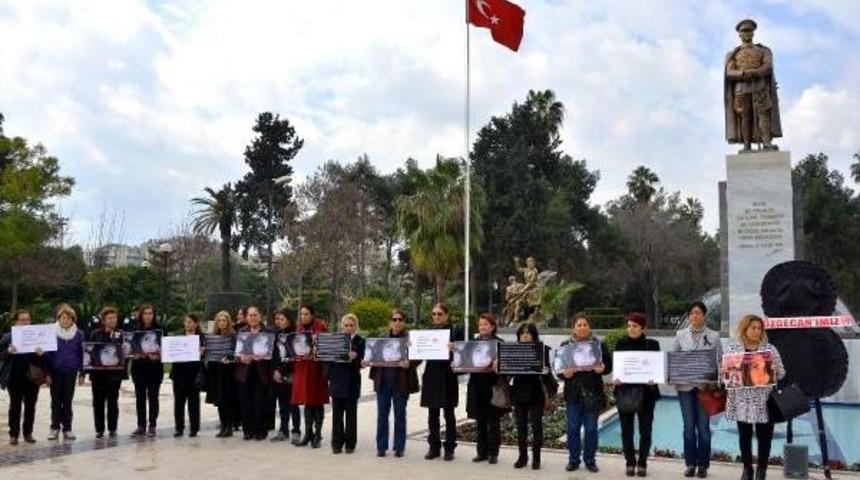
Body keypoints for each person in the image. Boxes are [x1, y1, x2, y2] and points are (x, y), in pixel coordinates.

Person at [725, 314, 785, 480]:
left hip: (764, 401)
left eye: (759, 328)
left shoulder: (769, 350)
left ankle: (761, 471)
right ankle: (747, 469)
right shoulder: (733, 349)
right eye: (753, 328)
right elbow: (727, 375)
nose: (757, 331)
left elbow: (781, 373)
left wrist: (770, 369)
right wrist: (728, 372)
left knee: (764, 437)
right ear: (745, 329)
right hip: (741, 400)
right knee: (744, 436)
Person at [559, 312, 612, 473]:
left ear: (589, 326)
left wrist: (603, 369)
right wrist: (564, 374)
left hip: (592, 392)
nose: (582, 328)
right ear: (573, 328)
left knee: (591, 429)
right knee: (573, 428)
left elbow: (609, 365)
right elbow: (559, 370)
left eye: (585, 324)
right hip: (573, 394)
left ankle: (590, 460)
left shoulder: (599, 345)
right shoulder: (565, 345)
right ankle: (573, 460)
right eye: (579, 325)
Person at [673, 301, 721, 478]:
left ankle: (703, 465)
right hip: (685, 387)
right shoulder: (680, 335)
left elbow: (720, 362)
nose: (695, 316)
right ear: (689, 316)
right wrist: (671, 375)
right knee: (688, 427)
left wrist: (715, 380)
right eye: (692, 313)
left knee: (703, 428)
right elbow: (673, 359)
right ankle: (690, 464)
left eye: (699, 313)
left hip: (704, 388)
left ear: (704, 315)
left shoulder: (714, 336)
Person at [368, 309, 420, 457]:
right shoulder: (382, 338)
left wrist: (410, 362)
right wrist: (368, 360)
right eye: (394, 319)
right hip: (383, 382)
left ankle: (399, 447)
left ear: (404, 322)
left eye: (400, 319)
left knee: (400, 415)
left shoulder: (410, 339)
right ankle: (381, 447)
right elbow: (373, 356)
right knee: (382, 415)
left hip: (401, 383)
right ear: (390, 322)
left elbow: (419, 356)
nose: (397, 322)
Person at [724, 18, 782, 153]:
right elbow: (729, 72)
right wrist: (744, 73)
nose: (747, 33)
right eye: (744, 31)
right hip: (741, 88)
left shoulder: (763, 50)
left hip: (759, 85)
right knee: (745, 116)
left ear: (753, 33)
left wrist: (756, 72)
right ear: (739, 34)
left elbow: (768, 66)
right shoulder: (733, 54)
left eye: (749, 31)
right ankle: (746, 146)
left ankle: (767, 143)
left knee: (763, 114)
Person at [615, 312, 661, 477]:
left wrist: (654, 380)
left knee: (645, 431)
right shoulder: (620, 343)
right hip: (625, 392)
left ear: (643, 328)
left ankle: (642, 463)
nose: (631, 329)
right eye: (629, 326)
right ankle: (629, 462)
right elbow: (618, 369)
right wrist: (617, 379)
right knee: (626, 431)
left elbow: (657, 370)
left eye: (634, 326)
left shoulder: (653, 345)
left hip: (647, 393)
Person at [509, 322, 555, 470]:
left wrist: (546, 371)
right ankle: (522, 457)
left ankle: (536, 457)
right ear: (519, 336)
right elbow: (507, 374)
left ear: (534, 335)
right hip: (518, 393)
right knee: (521, 427)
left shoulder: (542, 351)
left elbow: (548, 376)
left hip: (536, 393)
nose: (525, 335)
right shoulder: (513, 351)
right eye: (522, 333)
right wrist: (501, 367)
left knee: (537, 427)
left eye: (528, 333)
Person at [421, 303, 463, 461]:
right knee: (432, 414)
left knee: (449, 413)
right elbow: (418, 355)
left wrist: (455, 347)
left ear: (446, 315)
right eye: (433, 314)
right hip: (431, 375)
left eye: (439, 314)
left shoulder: (456, 331)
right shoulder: (426, 332)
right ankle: (434, 447)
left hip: (448, 376)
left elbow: (465, 350)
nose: (436, 317)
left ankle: (450, 448)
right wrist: (413, 348)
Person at [1, 309, 46, 445]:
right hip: (14, 377)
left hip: (32, 378)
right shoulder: (8, 337)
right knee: (15, 406)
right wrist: (8, 352)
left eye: (28, 319)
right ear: (15, 321)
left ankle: (28, 433)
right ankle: (13, 434)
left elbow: (42, 361)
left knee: (30, 406)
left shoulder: (36, 336)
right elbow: (1, 355)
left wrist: (40, 354)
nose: (25, 322)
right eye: (22, 320)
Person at [466, 313, 505, 465]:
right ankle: (481, 452)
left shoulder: (500, 343)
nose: (482, 327)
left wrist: (499, 366)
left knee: (493, 421)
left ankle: (493, 453)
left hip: (493, 386)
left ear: (493, 327)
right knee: (480, 421)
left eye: (486, 324)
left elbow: (507, 367)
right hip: (476, 385)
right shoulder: (473, 343)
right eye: (480, 324)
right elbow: (465, 362)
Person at [44, 303, 85, 441]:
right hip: (55, 372)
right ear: (58, 318)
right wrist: (47, 374)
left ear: (73, 319)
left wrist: (82, 373)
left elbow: (82, 355)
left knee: (67, 401)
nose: (66, 320)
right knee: (55, 401)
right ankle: (54, 427)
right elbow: (47, 356)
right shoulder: (51, 333)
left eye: (68, 318)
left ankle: (67, 428)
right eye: (63, 317)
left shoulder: (79, 334)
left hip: (71, 372)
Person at [291, 305, 329, 448]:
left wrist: (315, 348)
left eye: (306, 314)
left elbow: (326, 346)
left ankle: (317, 435)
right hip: (302, 368)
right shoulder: (299, 328)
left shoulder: (320, 327)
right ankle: (308, 434)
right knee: (307, 402)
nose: (303, 316)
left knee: (317, 402)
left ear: (312, 315)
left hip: (317, 370)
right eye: (301, 314)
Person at [327, 313, 365, 454]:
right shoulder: (335, 340)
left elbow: (365, 360)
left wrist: (356, 357)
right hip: (337, 381)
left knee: (351, 415)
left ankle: (350, 444)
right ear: (342, 326)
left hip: (352, 382)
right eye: (346, 325)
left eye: (351, 325)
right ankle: (336, 444)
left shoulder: (361, 341)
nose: (349, 328)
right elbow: (327, 359)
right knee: (336, 415)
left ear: (356, 326)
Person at [235, 306, 274, 441]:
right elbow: (236, 353)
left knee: (260, 403)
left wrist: (263, 356)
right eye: (250, 315)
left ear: (260, 316)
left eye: (255, 315)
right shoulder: (241, 332)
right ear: (246, 318)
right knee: (245, 403)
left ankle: (260, 431)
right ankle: (248, 431)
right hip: (244, 372)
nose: (252, 318)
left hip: (261, 372)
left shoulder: (268, 332)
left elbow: (273, 353)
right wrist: (241, 358)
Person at [88, 307, 125, 438]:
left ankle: (112, 428)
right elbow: (90, 351)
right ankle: (99, 429)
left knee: (113, 402)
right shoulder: (95, 333)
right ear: (103, 320)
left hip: (114, 375)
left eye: (114, 318)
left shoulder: (120, 334)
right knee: (98, 402)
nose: (112, 320)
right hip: (98, 374)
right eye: (109, 318)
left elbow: (123, 353)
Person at [130, 304, 163, 438]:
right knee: (140, 398)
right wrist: (134, 354)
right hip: (139, 368)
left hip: (154, 368)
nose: (148, 316)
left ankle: (152, 425)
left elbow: (166, 349)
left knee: (153, 397)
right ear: (141, 315)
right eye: (145, 313)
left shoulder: (160, 330)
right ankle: (141, 425)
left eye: (150, 313)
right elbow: (129, 349)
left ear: (153, 315)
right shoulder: (135, 330)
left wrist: (159, 355)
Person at [206, 310, 239, 438]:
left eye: (224, 320)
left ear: (228, 321)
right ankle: (223, 425)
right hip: (216, 371)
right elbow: (207, 355)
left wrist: (229, 357)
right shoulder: (211, 337)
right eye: (219, 320)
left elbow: (237, 352)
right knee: (219, 400)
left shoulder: (233, 336)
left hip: (228, 371)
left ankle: (229, 426)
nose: (222, 323)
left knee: (228, 400)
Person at [271, 309, 302, 443]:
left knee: (293, 404)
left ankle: (296, 431)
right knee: (282, 405)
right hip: (278, 372)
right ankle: (283, 430)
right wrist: (275, 371)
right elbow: (273, 355)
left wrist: (282, 371)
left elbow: (294, 356)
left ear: (289, 320)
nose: (279, 321)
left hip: (291, 373)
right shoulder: (276, 335)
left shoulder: (296, 335)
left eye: (282, 319)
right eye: (277, 319)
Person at [170, 314, 203, 437]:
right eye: (186, 322)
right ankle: (179, 427)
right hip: (179, 373)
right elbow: (171, 351)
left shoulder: (201, 337)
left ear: (196, 323)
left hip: (194, 373)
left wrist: (203, 351)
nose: (188, 324)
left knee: (193, 402)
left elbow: (205, 354)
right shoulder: (178, 336)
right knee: (179, 402)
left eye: (190, 322)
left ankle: (194, 428)